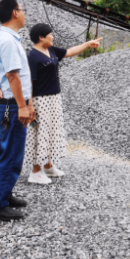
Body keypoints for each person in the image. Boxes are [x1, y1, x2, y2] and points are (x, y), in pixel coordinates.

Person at [24, 24, 102, 185]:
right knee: (39, 134)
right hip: (40, 100)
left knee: (51, 132)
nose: (53, 37)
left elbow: (69, 52)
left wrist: (88, 44)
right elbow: (28, 82)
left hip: (53, 98)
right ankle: (35, 171)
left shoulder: (51, 50)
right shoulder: (32, 56)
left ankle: (48, 166)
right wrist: (29, 106)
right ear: (41, 37)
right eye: (50, 34)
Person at [0, 0, 36, 222]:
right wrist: (22, 106)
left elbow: (21, 77)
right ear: (15, 13)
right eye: (22, 9)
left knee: (11, 154)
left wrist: (29, 103)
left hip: (14, 105)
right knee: (10, 155)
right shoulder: (7, 41)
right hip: (11, 107)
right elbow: (12, 76)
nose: (24, 13)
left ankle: (5, 195)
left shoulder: (10, 38)